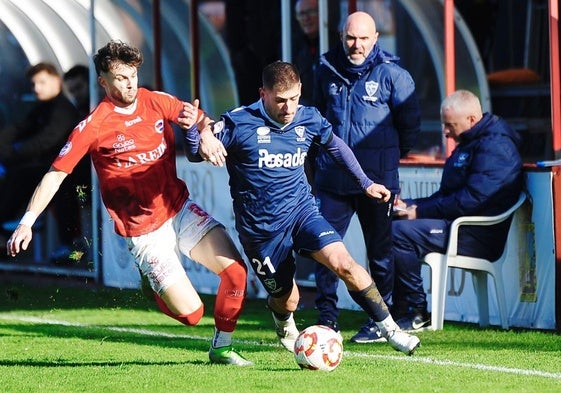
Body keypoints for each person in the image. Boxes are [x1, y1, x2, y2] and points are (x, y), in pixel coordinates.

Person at [6, 40, 252, 367]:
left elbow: (199, 118)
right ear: (104, 82)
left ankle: (222, 348)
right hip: (142, 231)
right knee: (193, 315)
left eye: (133, 74)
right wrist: (26, 221)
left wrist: (205, 133)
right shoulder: (92, 126)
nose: (130, 83)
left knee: (236, 274)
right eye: (120, 78)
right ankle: (152, 283)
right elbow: (55, 175)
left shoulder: (156, 101)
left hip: (178, 208)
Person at [183, 61, 421, 356]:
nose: (288, 107)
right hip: (262, 230)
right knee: (289, 299)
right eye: (280, 100)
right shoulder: (239, 122)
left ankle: (392, 331)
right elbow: (195, 154)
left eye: (294, 98)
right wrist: (198, 133)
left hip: (302, 213)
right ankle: (283, 321)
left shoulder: (309, 119)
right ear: (263, 94)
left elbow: (336, 146)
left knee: (345, 263)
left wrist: (365, 183)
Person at [311, 11, 421, 342]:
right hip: (333, 181)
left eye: (362, 38)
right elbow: (315, 119)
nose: (355, 45)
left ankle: (378, 320)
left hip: (378, 182)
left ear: (375, 39)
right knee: (324, 250)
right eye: (350, 38)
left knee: (380, 254)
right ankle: (327, 319)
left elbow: (410, 129)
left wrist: (385, 162)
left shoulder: (394, 75)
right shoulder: (324, 70)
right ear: (341, 37)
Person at [391, 89, 524, 326]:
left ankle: (416, 311)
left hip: (476, 235)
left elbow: (472, 199)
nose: (445, 131)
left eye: (450, 125)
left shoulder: (497, 148)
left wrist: (420, 212)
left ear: (471, 120)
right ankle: (398, 307)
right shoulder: (470, 142)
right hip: (456, 225)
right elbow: (447, 196)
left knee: (398, 233)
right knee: (392, 220)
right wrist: (411, 205)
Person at [0, 62, 81, 256]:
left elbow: (44, 142)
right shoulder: (41, 109)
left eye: (42, 82)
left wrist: (11, 157)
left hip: (65, 173)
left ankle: (6, 224)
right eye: (34, 84)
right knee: (17, 173)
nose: (36, 88)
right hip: (44, 169)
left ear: (57, 82)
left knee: (21, 175)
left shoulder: (62, 110)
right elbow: (20, 129)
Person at [293, 0, 339, 105]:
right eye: (301, 14)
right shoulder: (294, 48)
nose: (306, 18)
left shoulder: (337, 45)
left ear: (323, 12)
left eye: (311, 12)